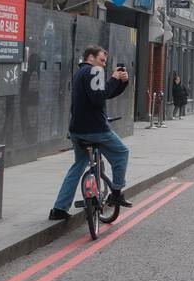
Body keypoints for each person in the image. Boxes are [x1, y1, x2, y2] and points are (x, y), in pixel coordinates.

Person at [49, 45, 133, 221]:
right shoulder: (94, 71)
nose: (103, 64)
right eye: (102, 60)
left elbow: (104, 94)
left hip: (77, 131)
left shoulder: (81, 73)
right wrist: (113, 78)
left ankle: (59, 208)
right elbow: (99, 97)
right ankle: (116, 192)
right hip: (95, 130)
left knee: (78, 165)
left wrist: (121, 82)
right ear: (91, 57)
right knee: (122, 153)